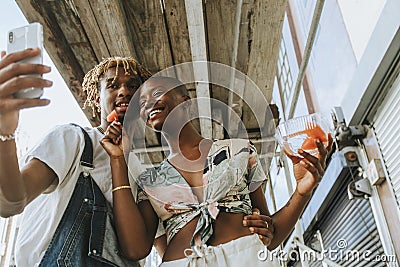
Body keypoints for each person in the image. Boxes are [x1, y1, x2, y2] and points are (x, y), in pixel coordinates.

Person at [0, 49, 272, 266]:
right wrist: (5, 134)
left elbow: (165, 248)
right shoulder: (73, 140)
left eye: (133, 86)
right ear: (97, 99)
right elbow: (12, 201)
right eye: (113, 85)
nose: (124, 91)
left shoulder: (144, 176)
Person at [101, 76, 333, 266]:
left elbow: (269, 237)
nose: (148, 104)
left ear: (186, 100)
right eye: (142, 104)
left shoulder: (239, 151)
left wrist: (302, 192)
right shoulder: (149, 182)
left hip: (248, 259)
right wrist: (118, 160)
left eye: (156, 93)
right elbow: (135, 249)